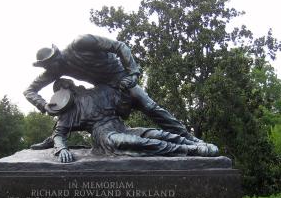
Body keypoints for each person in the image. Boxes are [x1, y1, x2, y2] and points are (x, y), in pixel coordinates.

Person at [24, 34, 203, 148]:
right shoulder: (56, 69)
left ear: (57, 55)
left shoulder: (81, 43)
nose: (50, 70)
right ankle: (56, 138)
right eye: (47, 67)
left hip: (121, 80)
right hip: (103, 90)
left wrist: (133, 73)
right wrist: (45, 106)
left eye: (50, 64)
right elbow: (29, 91)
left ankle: (189, 137)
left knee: (150, 107)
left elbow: (120, 47)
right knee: (75, 108)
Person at [47, 79, 218, 163]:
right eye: (63, 88)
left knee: (157, 133)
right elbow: (59, 133)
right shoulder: (72, 110)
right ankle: (191, 150)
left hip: (122, 126)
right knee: (137, 142)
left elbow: (123, 111)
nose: (69, 87)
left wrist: (123, 92)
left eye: (67, 84)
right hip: (105, 135)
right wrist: (62, 149)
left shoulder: (101, 91)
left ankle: (197, 144)